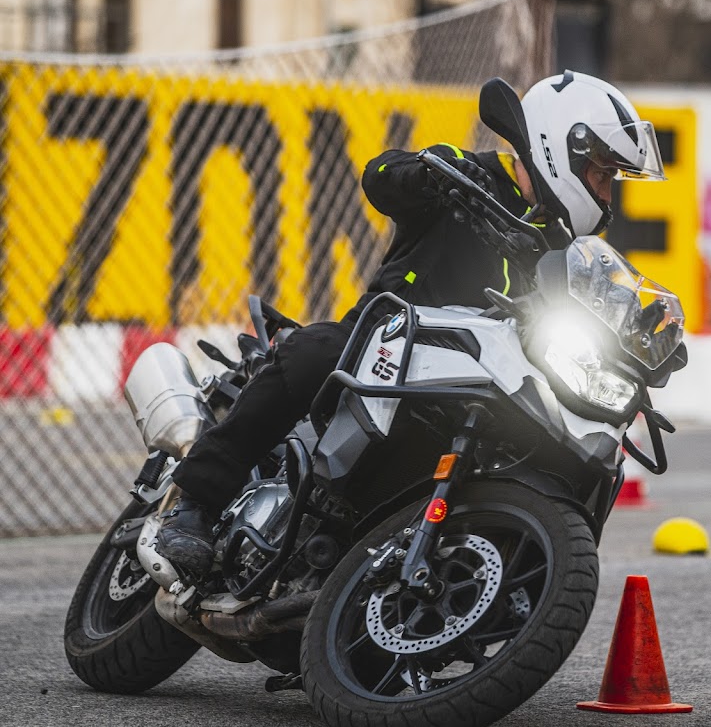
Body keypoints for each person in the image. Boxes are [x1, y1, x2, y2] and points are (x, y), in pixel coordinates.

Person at [157, 70, 668, 573]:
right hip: (390, 343)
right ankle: (195, 502)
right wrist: (426, 174)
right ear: (564, 148)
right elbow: (380, 179)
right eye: (602, 174)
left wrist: (640, 328)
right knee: (314, 354)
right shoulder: (467, 174)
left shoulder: (563, 249)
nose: (606, 193)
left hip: (479, 379)